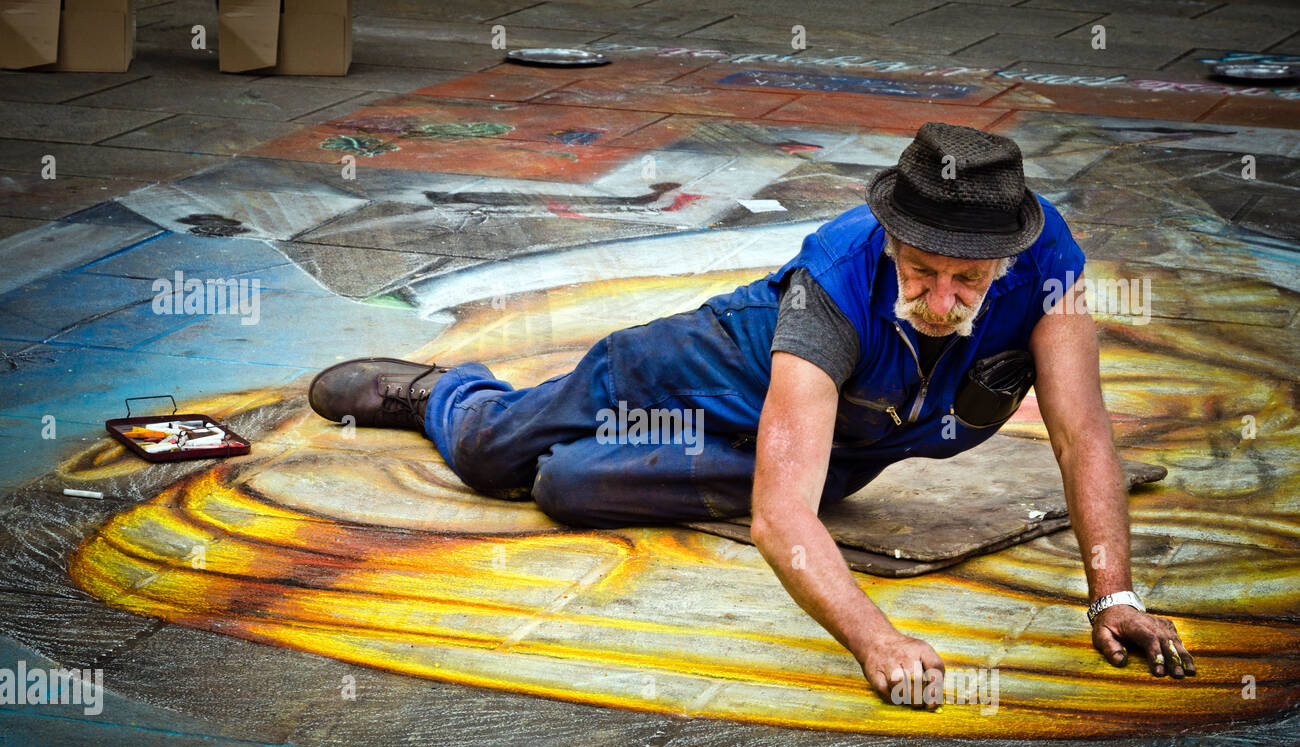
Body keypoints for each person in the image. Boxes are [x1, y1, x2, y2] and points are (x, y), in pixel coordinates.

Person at [309, 122, 1194, 708]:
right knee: (493, 455)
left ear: (1008, 255)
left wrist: (1113, 595)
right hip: (701, 367)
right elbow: (780, 519)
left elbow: (1083, 436)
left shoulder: (1047, 267)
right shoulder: (835, 282)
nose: (943, 297)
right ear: (890, 241)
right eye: (923, 271)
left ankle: (572, 459)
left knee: (566, 486)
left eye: (969, 279)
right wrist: (875, 638)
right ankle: (446, 393)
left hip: (840, 448)